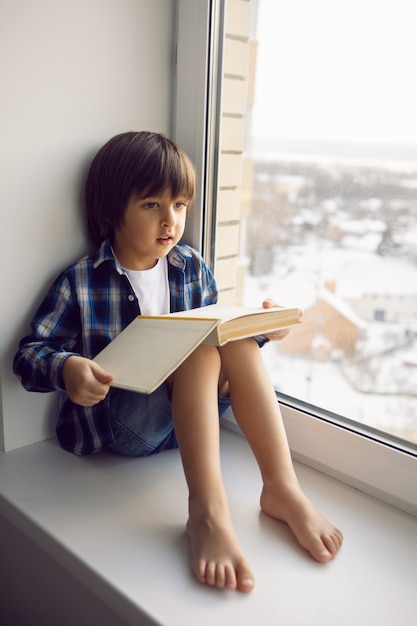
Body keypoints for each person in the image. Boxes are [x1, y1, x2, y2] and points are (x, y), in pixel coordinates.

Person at [13, 131, 343, 593]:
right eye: (152, 205)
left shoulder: (191, 265)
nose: (170, 220)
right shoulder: (83, 281)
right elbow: (30, 354)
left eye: (180, 205)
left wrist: (262, 328)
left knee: (231, 342)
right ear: (112, 211)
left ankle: (282, 488)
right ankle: (207, 514)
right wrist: (68, 368)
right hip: (126, 423)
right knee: (198, 347)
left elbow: (219, 335)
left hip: (192, 423)